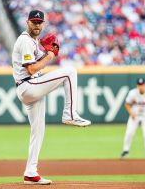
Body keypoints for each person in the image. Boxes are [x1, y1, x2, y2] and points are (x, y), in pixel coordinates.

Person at [11, 9, 91, 185]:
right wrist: (50, 56)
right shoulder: (25, 40)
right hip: (28, 85)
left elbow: (37, 64)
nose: (37, 25)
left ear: (43, 24)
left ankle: (30, 173)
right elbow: (31, 69)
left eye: (39, 22)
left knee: (38, 131)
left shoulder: (34, 42)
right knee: (70, 71)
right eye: (34, 22)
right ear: (27, 22)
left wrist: (45, 53)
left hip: (31, 87)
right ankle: (69, 114)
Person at [120, 78, 145, 160]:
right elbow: (127, 104)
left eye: (142, 85)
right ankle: (125, 151)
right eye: (139, 85)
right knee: (129, 132)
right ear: (137, 86)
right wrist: (131, 113)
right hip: (135, 115)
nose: (141, 87)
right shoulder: (132, 93)